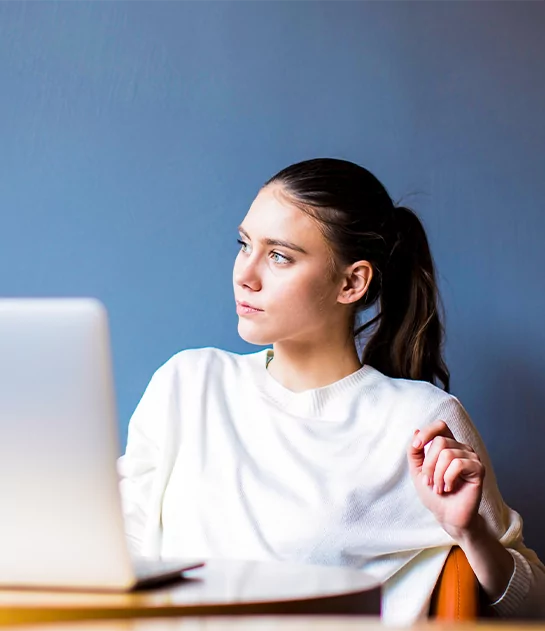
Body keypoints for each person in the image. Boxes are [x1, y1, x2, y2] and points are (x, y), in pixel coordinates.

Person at [118, 158, 545, 624]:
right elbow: (119, 549)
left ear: (351, 282)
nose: (246, 273)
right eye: (244, 244)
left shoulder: (419, 421)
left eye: (279, 256)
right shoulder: (187, 383)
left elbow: (533, 604)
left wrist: (469, 532)